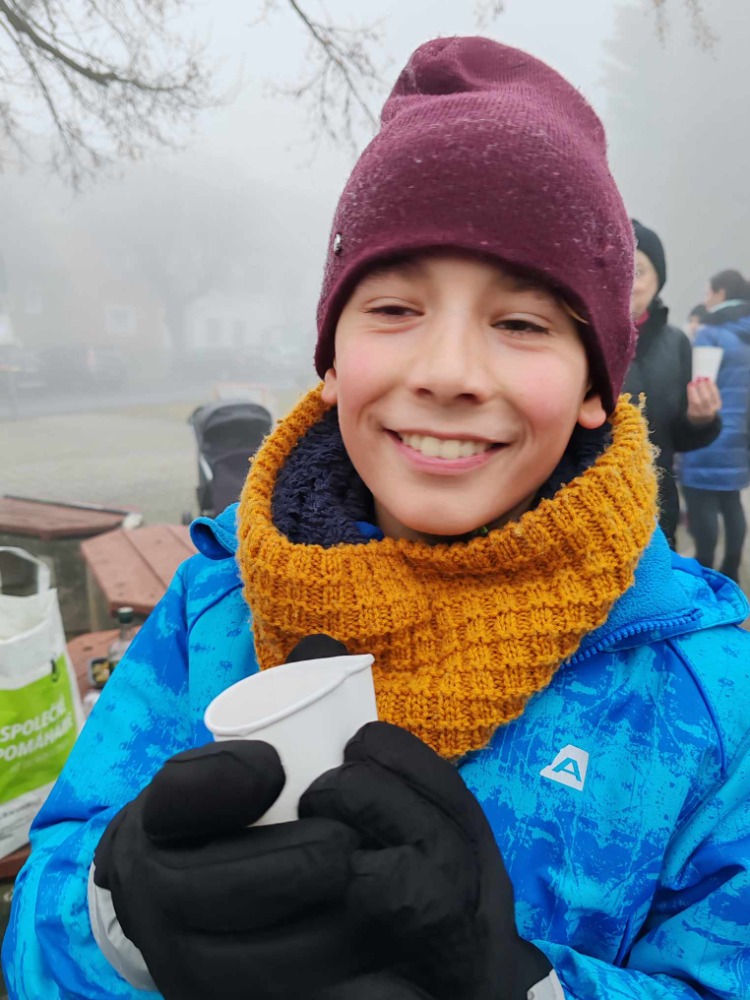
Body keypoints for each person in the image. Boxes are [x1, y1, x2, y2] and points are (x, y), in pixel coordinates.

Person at [4, 37, 750, 1000]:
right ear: (330, 358)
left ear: (595, 387)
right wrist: (119, 920)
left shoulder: (705, 687)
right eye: (394, 308)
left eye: (521, 323)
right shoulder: (214, 606)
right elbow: (38, 923)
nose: (447, 371)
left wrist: (520, 984)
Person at [622, 221, 721, 548]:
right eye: (619, 266)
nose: (628, 280)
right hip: (586, 504)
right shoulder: (581, 336)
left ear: (658, 280)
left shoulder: (676, 343)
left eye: (638, 271)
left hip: (658, 505)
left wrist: (700, 419)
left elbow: (678, 438)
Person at [680, 269, 750, 582]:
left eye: (709, 291)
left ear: (721, 292)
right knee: (731, 501)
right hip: (741, 433)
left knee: (702, 499)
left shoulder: (711, 332)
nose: (706, 298)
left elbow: (699, 385)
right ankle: (732, 569)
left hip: (711, 429)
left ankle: (705, 568)